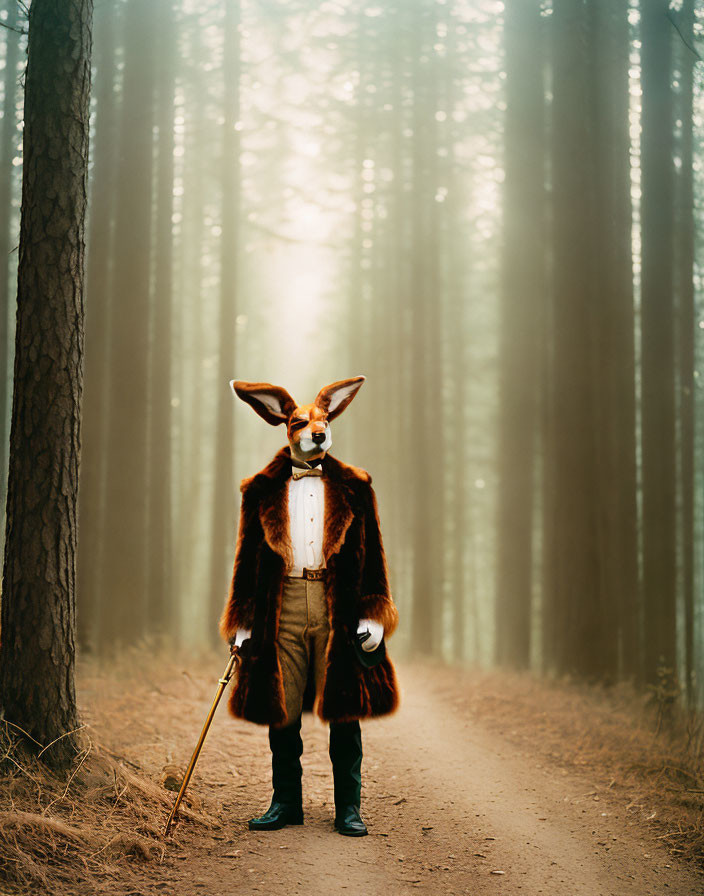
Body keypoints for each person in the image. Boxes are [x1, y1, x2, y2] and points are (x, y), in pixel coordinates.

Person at [219, 376, 400, 836]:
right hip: (283, 606)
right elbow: (246, 561)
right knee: (280, 706)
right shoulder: (260, 490)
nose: (314, 429)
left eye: (321, 421)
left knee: (344, 706)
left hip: (336, 604)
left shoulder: (355, 486)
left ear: (331, 420)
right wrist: (240, 622)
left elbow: (374, 555)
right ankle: (286, 803)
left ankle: (349, 808)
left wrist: (376, 614)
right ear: (284, 425)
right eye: (303, 423)